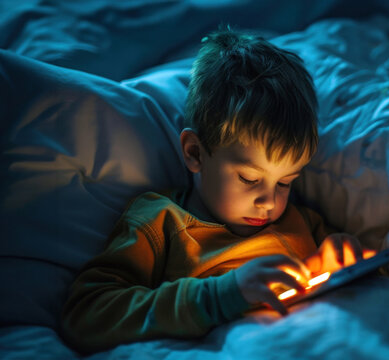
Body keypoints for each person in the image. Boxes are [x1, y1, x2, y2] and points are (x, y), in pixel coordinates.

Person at [60, 26, 370, 354]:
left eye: (285, 182)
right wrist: (222, 295)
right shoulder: (161, 222)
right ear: (195, 153)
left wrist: (346, 257)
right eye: (249, 179)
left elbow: (369, 277)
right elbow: (85, 316)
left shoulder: (302, 221)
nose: (269, 202)